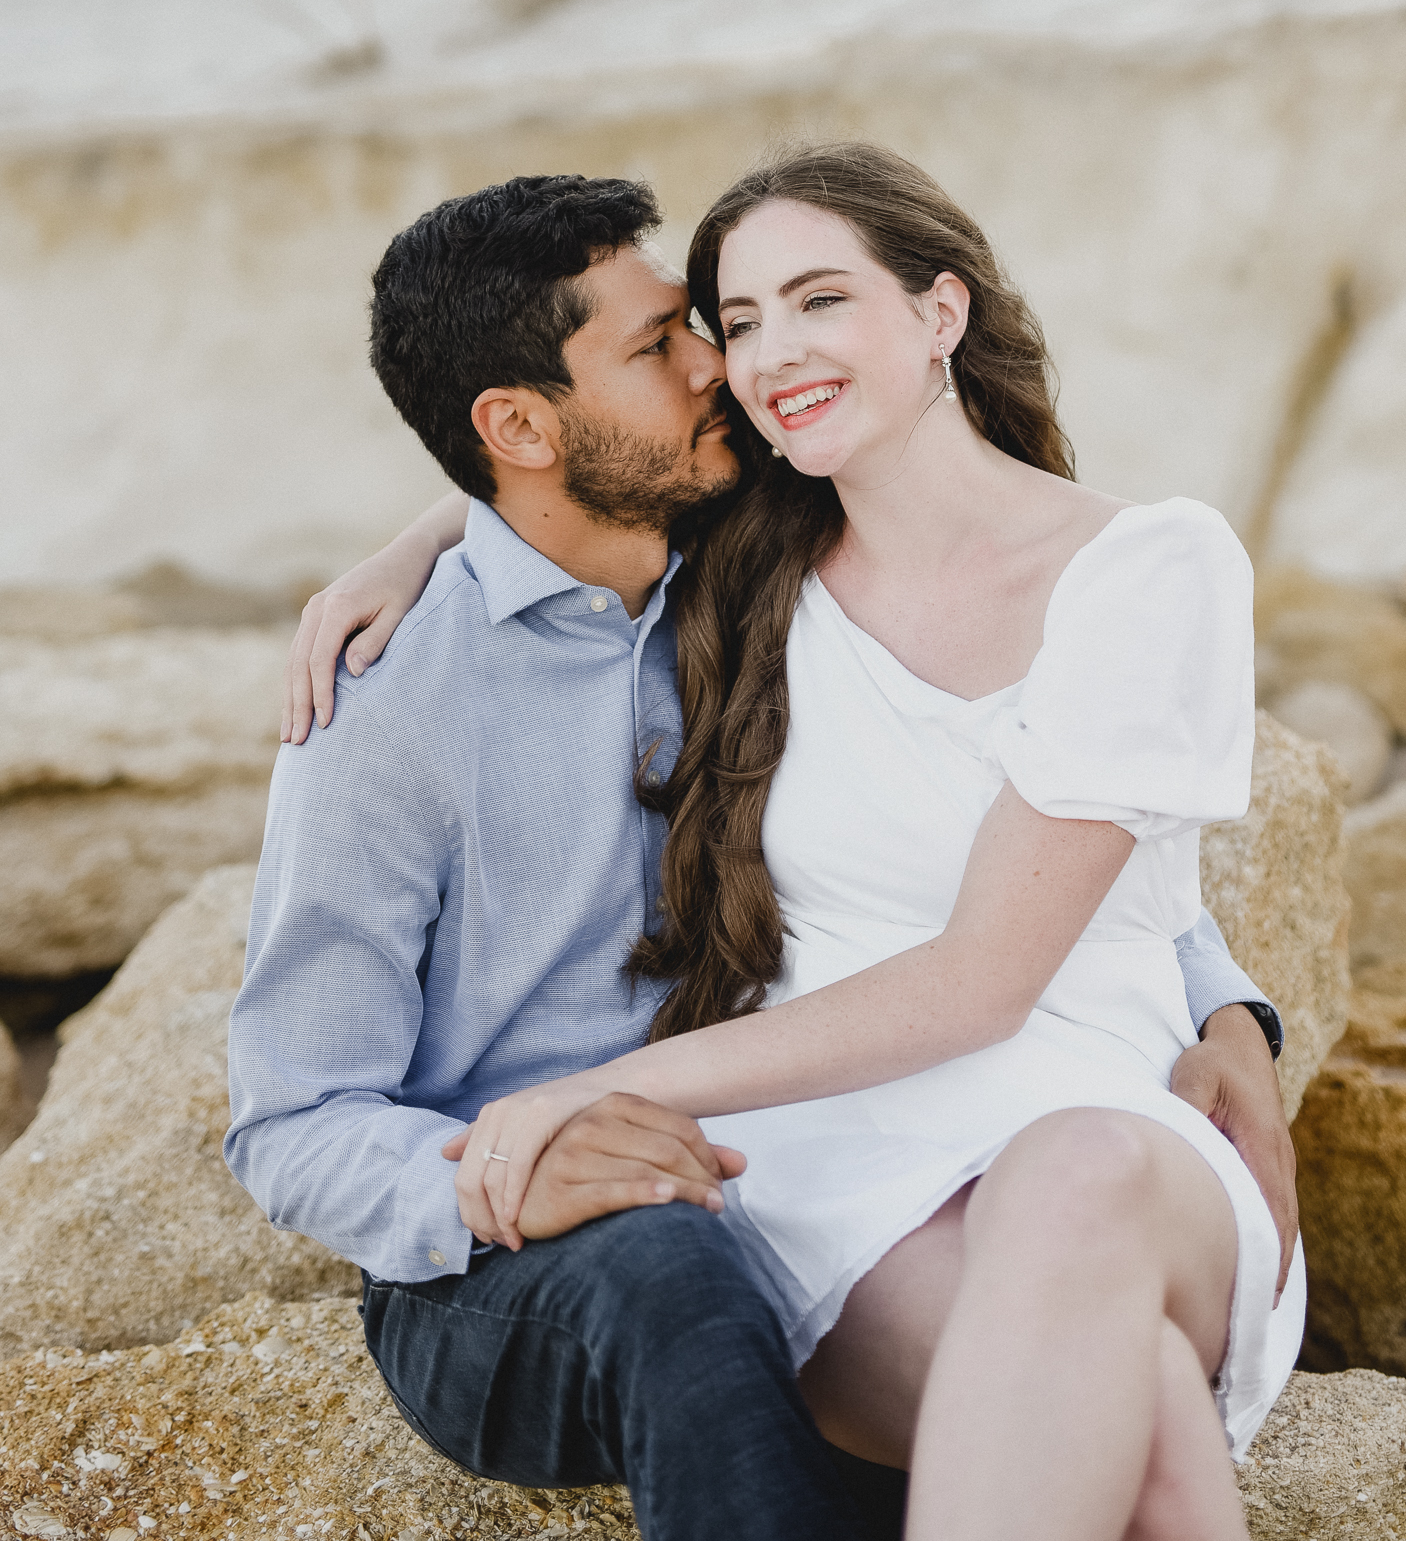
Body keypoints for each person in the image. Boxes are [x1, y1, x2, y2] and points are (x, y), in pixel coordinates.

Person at [232, 165, 1296, 1541]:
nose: (719, 368)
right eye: (680, 340)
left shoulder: (744, 555)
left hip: (817, 1138)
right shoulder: (393, 706)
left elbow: (1028, 815)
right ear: (520, 425)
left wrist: (1224, 1003)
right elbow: (287, 1117)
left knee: (1132, 1386)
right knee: (678, 1267)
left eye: (711, 328)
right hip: (546, 1226)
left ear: (939, 312)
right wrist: (487, 1175)